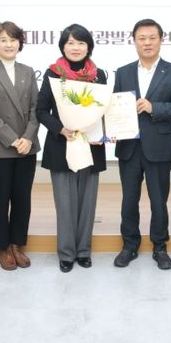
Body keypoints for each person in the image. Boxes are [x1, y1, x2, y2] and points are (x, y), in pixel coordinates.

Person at [112, 19, 171, 270]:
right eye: (142, 38)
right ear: (134, 41)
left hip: (159, 146)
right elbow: (115, 106)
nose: (147, 42)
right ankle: (129, 245)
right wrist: (111, 129)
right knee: (129, 200)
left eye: (152, 37)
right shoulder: (123, 72)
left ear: (161, 40)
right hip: (129, 146)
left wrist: (153, 107)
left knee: (159, 201)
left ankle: (160, 246)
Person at [37, 23, 107, 273]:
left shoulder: (99, 75)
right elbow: (41, 110)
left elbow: (104, 110)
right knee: (65, 204)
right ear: (63, 47)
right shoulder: (53, 74)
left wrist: (104, 133)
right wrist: (60, 129)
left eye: (80, 43)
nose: (75, 47)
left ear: (88, 46)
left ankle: (84, 251)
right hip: (62, 144)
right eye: (70, 43)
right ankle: (66, 254)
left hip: (91, 145)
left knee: (87, 203)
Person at [0, 21, 40, 271]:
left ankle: (17, 244)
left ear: (19, 43)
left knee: (22, 199)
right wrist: (13, 140)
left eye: (13, 39)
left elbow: (36, 108)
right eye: (3, 40)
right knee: (0, 199)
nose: (8, 44)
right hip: (0, 147)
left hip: (27, 146)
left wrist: (28, 137)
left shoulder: (28, 71)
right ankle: (2, 247)